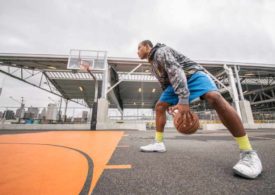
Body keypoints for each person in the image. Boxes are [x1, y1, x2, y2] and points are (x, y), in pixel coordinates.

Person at [137, 40, 262, 179]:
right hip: (175, 83)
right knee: (160, 106)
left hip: (193, 75)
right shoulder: (153, 65)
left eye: (139, 48)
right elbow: (166, 83)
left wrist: (183, 99)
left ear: (148, 46)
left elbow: (176, 71)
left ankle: (248, 153)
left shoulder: (161, 51)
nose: (137, 51)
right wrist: (173, 102)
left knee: (214, 97)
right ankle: (158, 143)